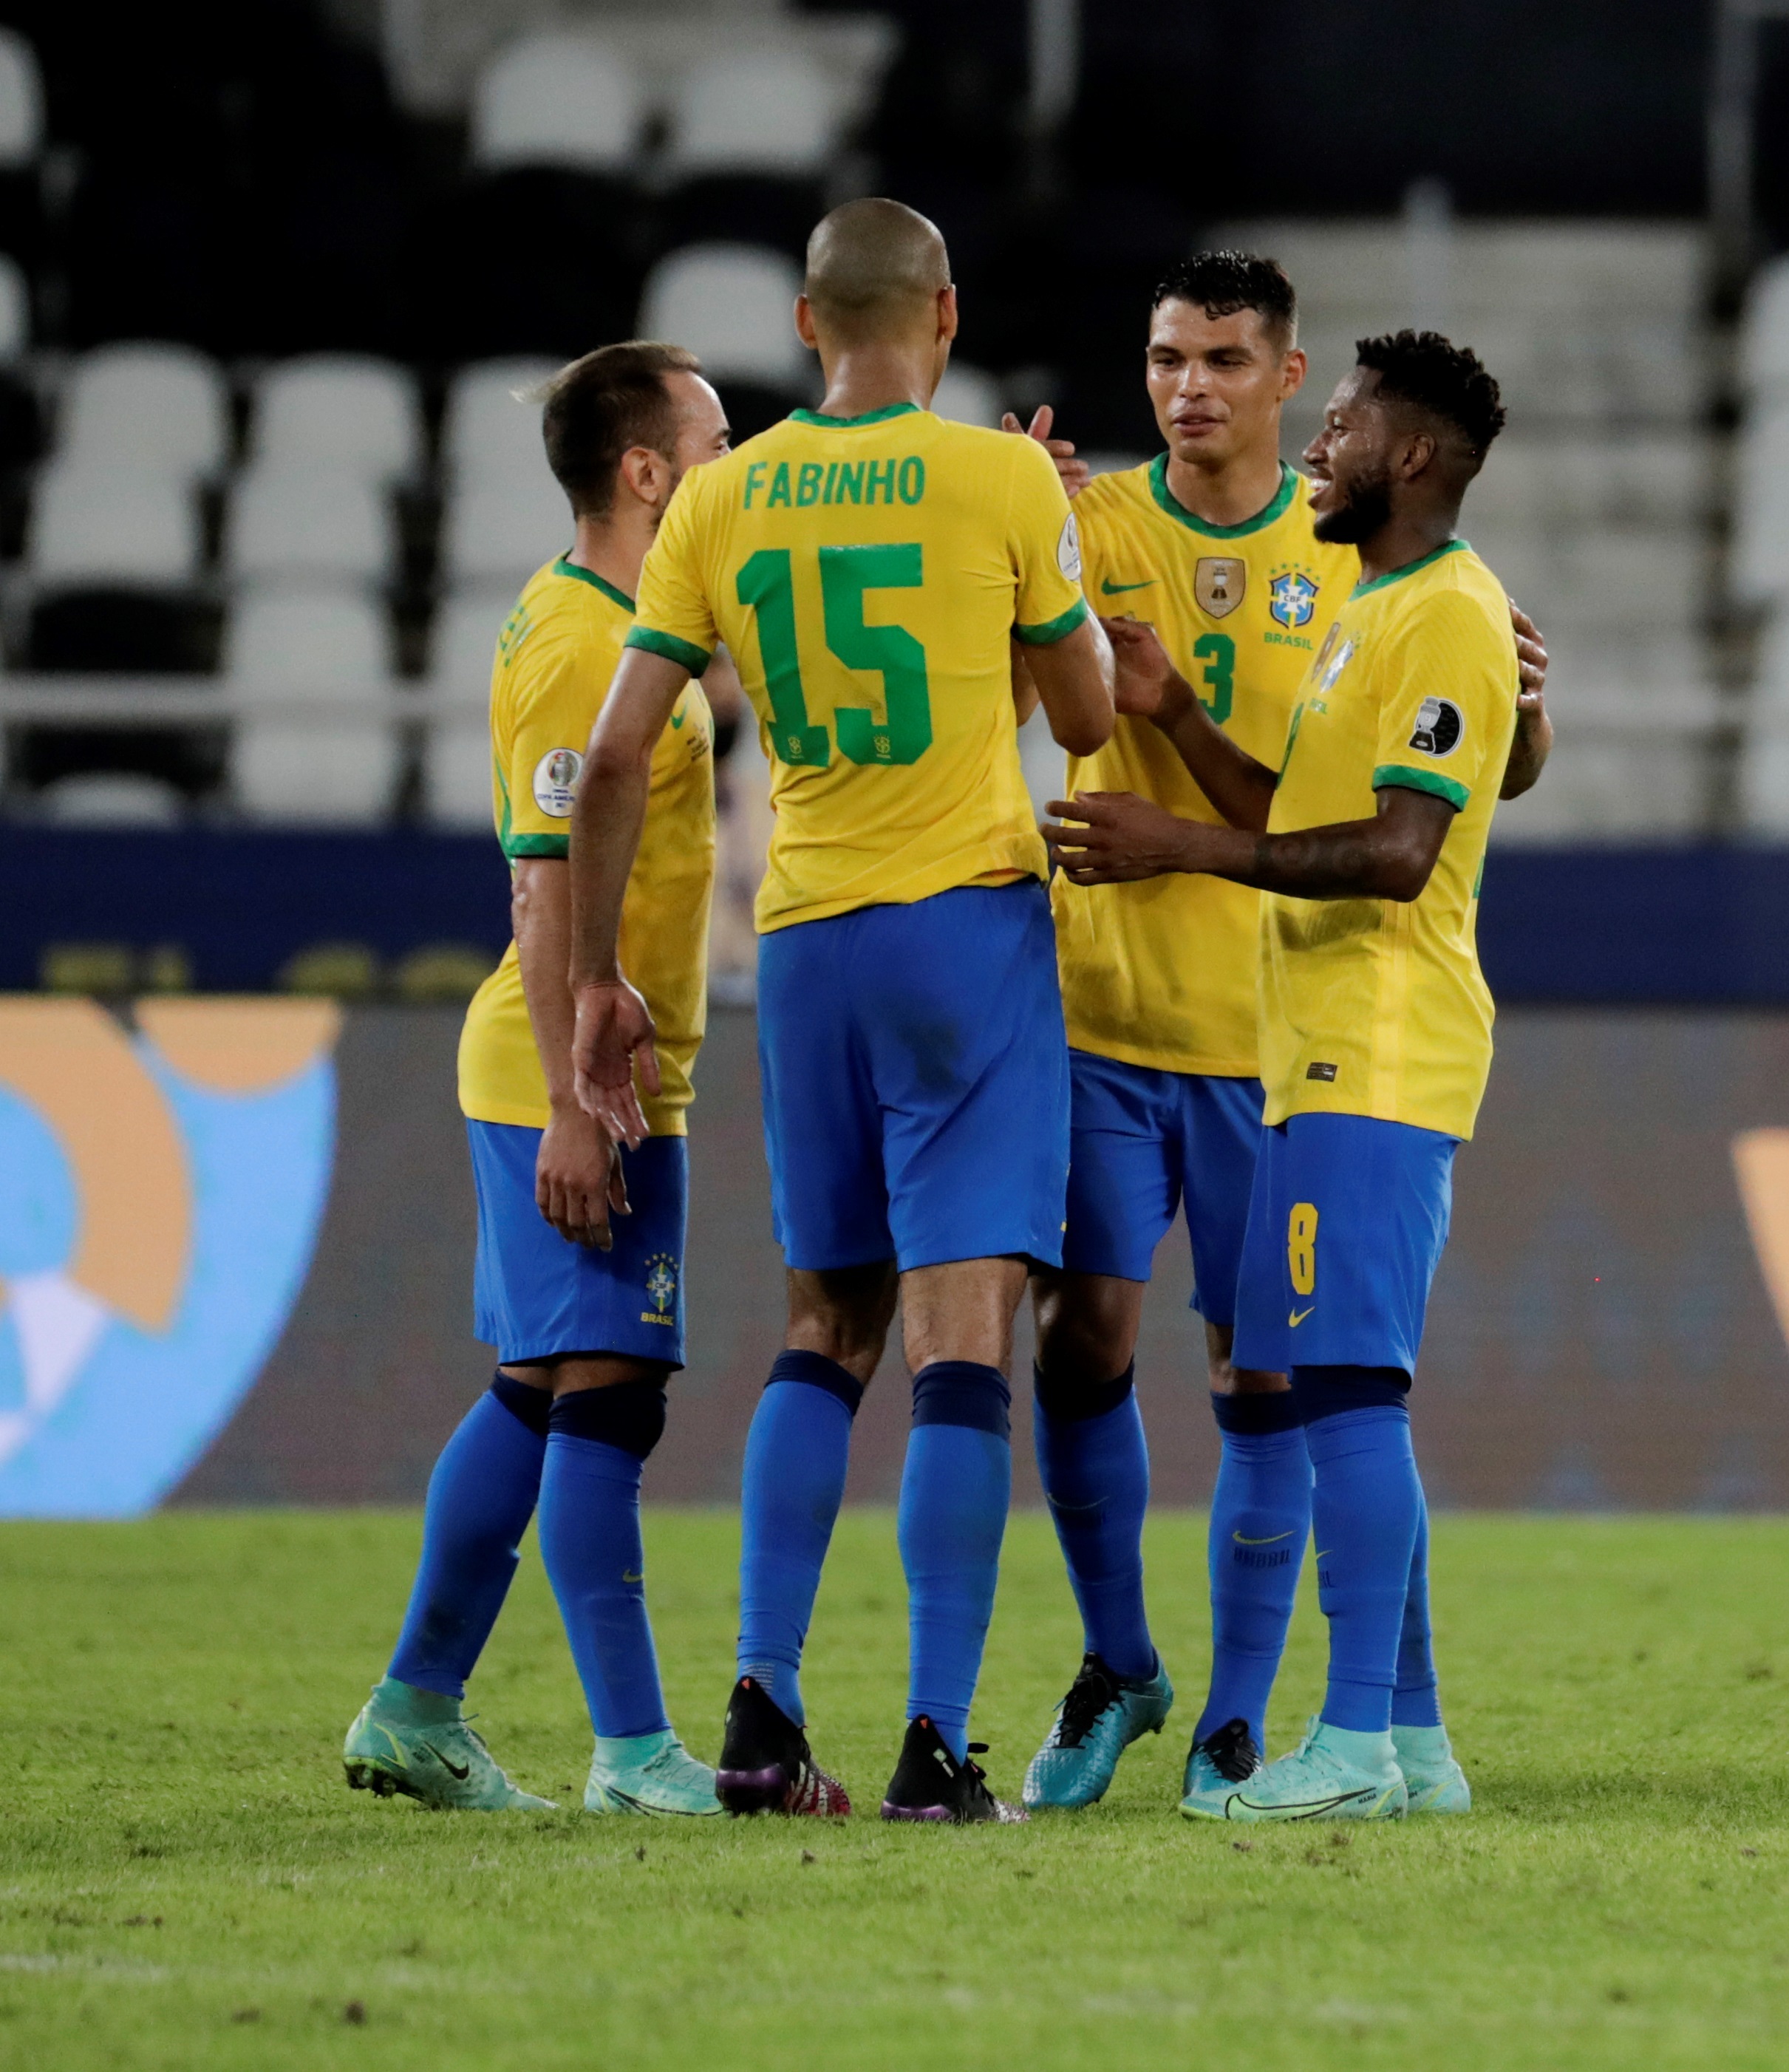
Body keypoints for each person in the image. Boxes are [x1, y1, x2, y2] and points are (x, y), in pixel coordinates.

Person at [566, 198, 1119, 1824]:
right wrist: (1037, 585)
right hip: (966, 928)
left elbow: (612, 759)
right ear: (943, 315)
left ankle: (758, 1705)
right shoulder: (1006, 476)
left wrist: (598, 978)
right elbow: (1083, 712)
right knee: (964, 1337)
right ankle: (939, 1747)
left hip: (801, 941)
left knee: (825, 1325)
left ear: (807, 327)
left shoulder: (718, 503)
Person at [1020, 254, 1551, 1813]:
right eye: (1165, 353)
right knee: (1327, 1384)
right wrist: (1174, 715)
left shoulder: (1440, 607)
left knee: (1335, 1398)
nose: (1318, 445)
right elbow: (1287, 802)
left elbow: (1394, 848)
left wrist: (1178, 846)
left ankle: (1349, 1740)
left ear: (1410, 458)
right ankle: (1415, 1737)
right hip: (1284, 1043)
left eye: (1339, 424)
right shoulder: (1375, 609)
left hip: (1359, 1052)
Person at [341, 343, 735, 1816]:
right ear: (647, 473)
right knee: (609, 1392)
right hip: (576, 1075)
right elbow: (543, 883)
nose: (735, 464)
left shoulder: (632, 626)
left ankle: (414, 1708)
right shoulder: (580, 640)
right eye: (717, 438)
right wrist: (578, 1104)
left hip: (599, 1065)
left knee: (529, 1388)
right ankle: (634, 1755)